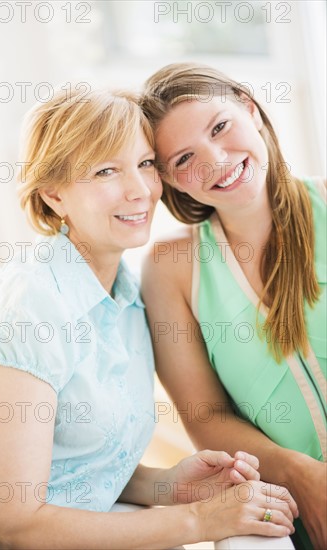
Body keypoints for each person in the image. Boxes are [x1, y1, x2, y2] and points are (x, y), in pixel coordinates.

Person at [0, 88, 297, 550]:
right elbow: (10, 528)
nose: (140, 189)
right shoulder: (30, 307)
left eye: (146, 163)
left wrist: (168, 485)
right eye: (106, 171)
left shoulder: (125, 293)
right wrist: (197, 520)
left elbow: (71, 464)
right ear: (54, 195)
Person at [140, 62, 326, 550]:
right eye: (183, 158)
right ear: (169, 182)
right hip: (293, 514)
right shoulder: (171, 268)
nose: (216, 159)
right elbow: (206, 415)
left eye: (220, 126)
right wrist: (304, 477)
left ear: (250, 107)